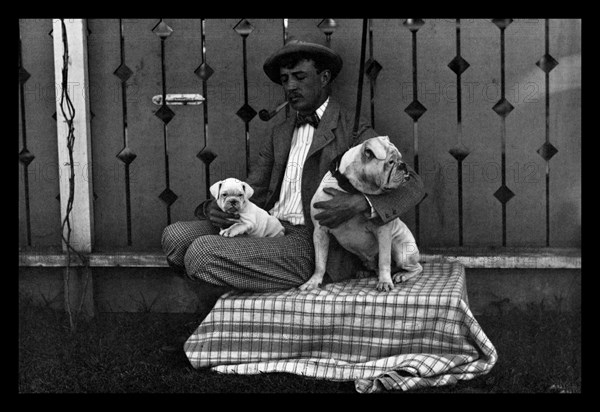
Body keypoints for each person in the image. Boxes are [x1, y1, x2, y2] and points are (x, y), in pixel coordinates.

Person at [161, 39, 426, 311]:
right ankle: (252, 281)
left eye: (299, 77)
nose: (290, 87)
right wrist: (214, 209)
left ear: (324, 78)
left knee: (202, 253)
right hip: (268, 224)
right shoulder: (281, 132)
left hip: (312, 241)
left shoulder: (354, 129)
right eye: (285, 79)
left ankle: (258, 282)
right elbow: (254, 189)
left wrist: (362, 203)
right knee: (175, 237)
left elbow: (413, 184)